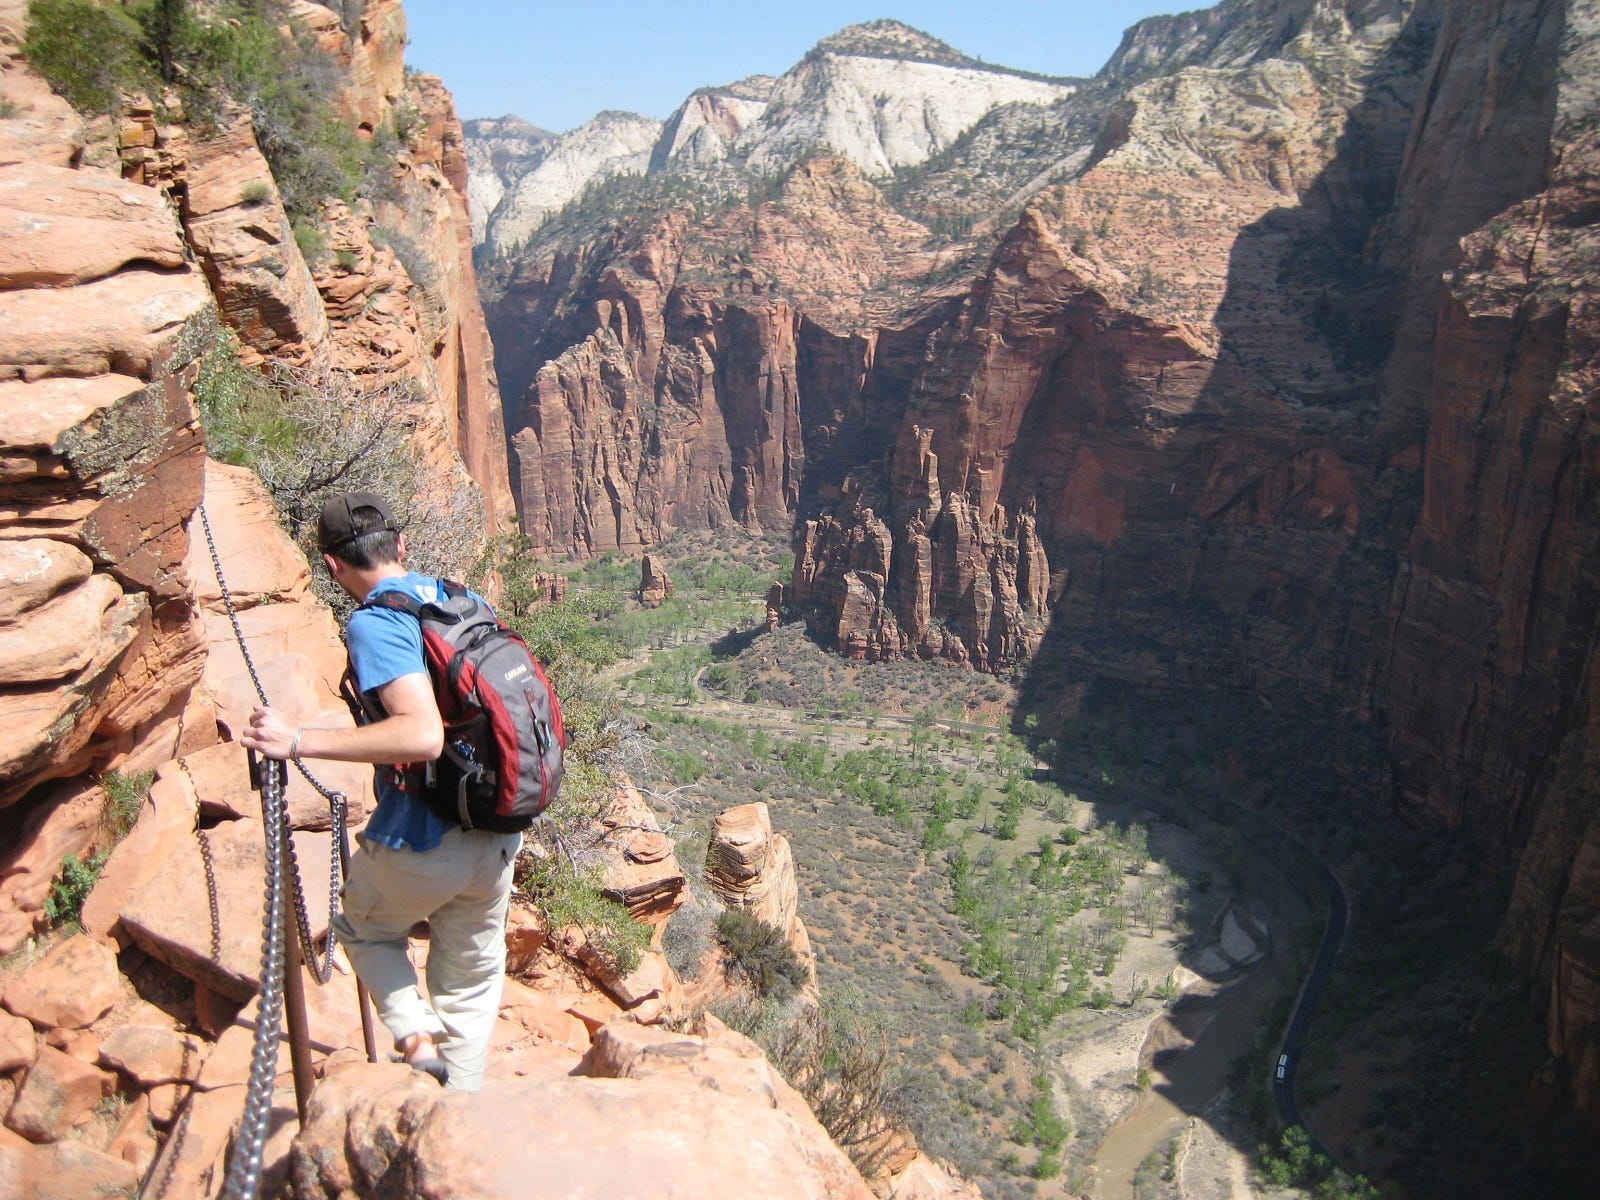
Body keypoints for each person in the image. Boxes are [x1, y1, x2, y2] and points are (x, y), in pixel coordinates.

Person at [239, 492, 520, 1091]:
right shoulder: (461, 597)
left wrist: (297, 742)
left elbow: (419, 735)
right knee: (469, 984)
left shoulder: (375, 622)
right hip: (498, 832)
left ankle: (418, 1049)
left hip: (424, 837)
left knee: (362, 929)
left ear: (333, 566)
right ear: (402, 546)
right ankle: (458, 1111)